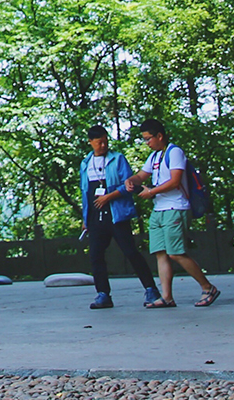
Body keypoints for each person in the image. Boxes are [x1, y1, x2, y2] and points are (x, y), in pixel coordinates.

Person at [130, 118, 221, 308]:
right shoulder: (154, 156)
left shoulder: (175, 152)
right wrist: (131, 181)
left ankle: (207, 287)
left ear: (159, 136)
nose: (147, 143)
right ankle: (167, 297)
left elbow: (175, 181)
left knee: (176, 253)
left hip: (175, 208)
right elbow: (141, 175)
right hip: (158, 209)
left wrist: (151, 192)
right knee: (161, 253)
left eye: (148, 139)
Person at [79, 123, 160, 309]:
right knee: (96, 255)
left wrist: (109, 196)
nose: (103, 146)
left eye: (105, 142)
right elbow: (84, 191)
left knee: (130, 251)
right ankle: (103, 294)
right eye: (99, 142)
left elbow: (129, 184)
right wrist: (85, 218)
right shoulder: (85, 163)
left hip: (116, 214)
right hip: (95, 216)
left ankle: (151, 289)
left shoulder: (117, 159)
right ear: (90, 142)